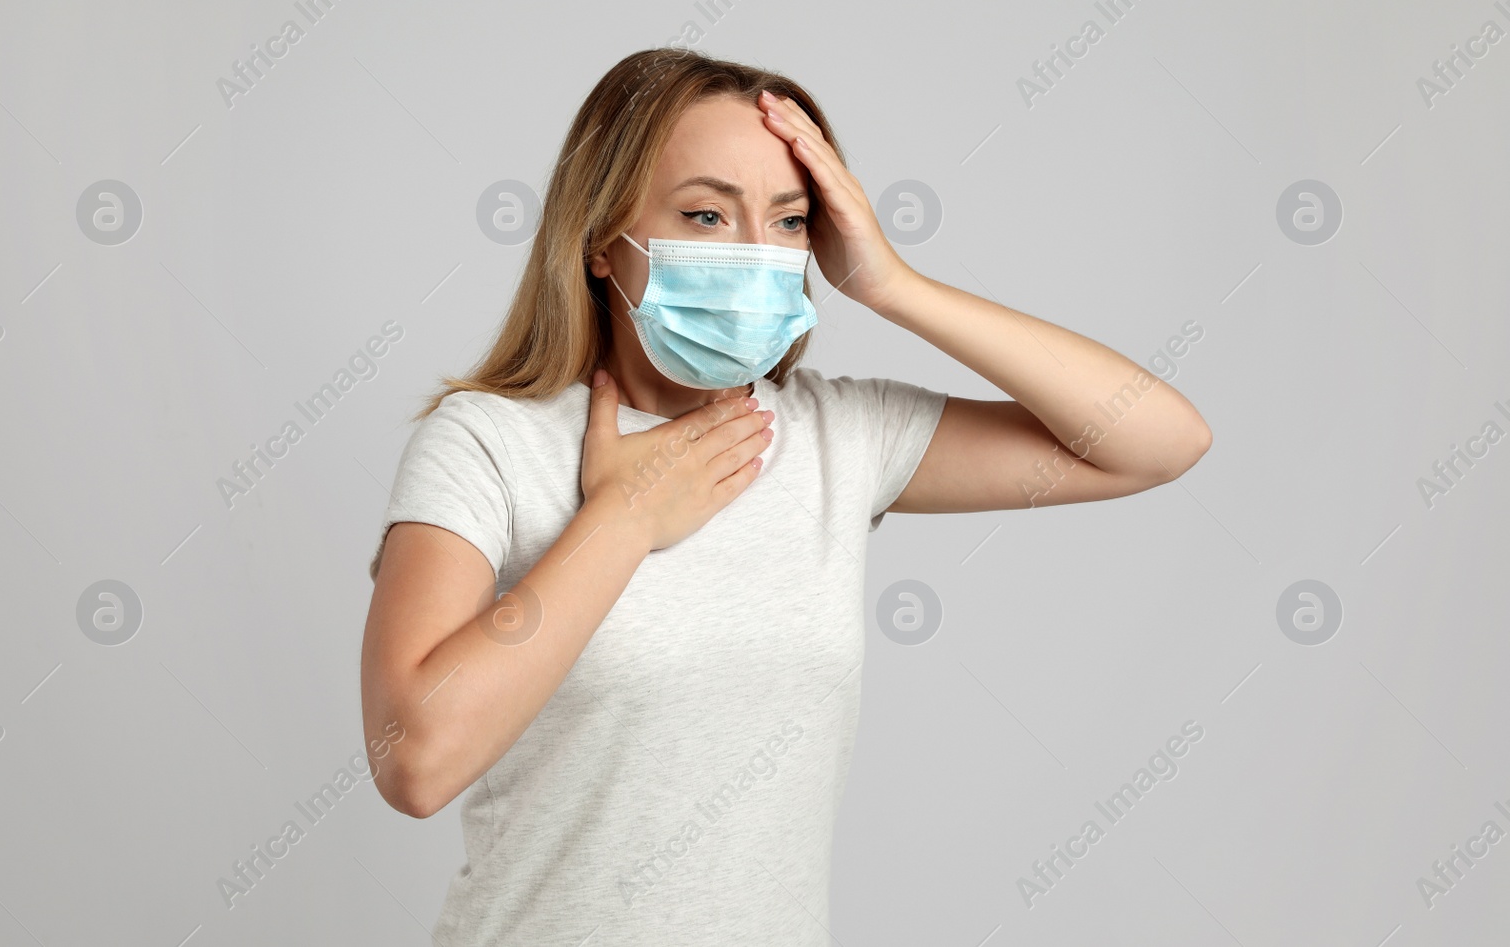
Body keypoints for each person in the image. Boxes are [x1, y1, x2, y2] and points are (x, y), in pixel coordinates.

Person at [359, 48, 1211, 944]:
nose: (755, 252)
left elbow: (1158, 441)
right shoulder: (488, 442)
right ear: (602, 239)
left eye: (791, 220)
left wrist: (893, 285)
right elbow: (413, 760)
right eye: (705, 213)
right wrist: (624, 518)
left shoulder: (837, 436)